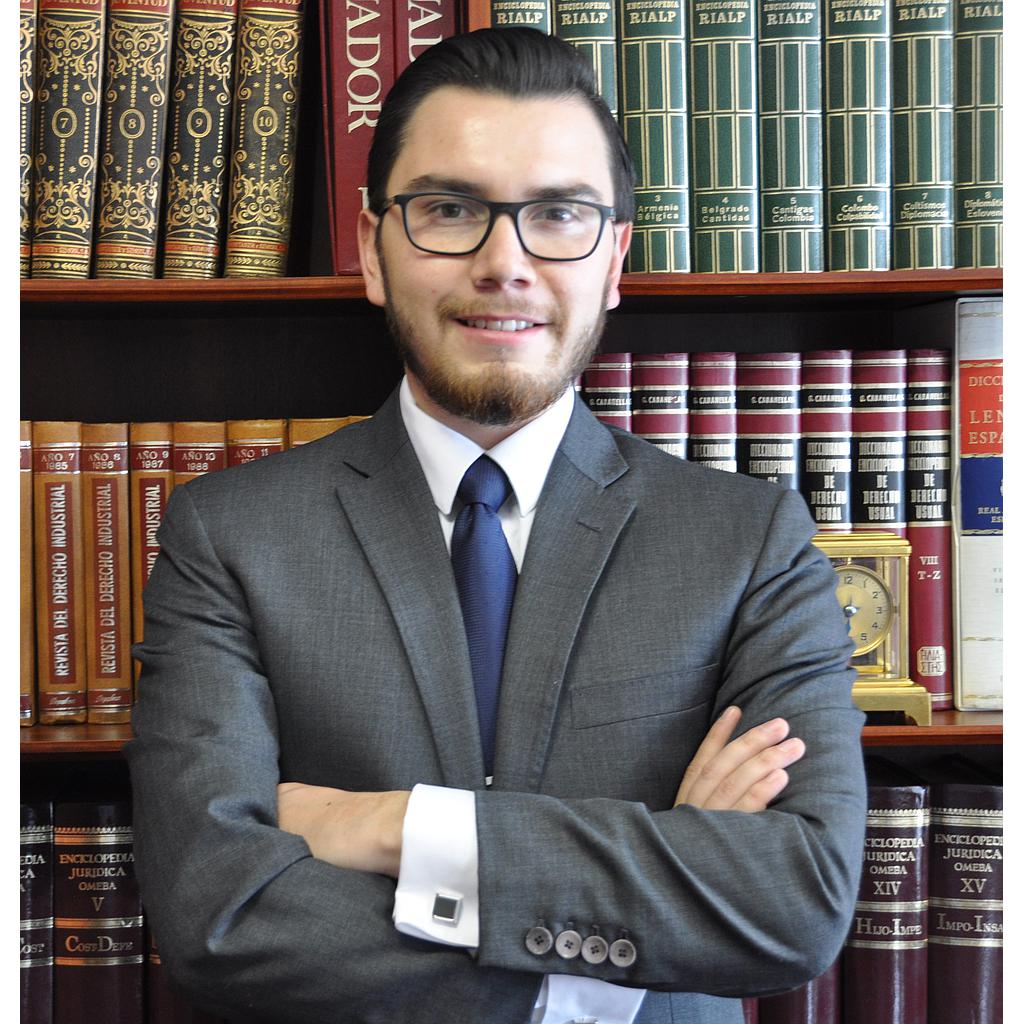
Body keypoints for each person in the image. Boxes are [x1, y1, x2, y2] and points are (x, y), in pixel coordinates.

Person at [126, 27, 867, 1024]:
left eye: (557, 214)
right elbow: (217, 918)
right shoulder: (227, 537)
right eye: (448, 210)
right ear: (372, 250)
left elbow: (795, 901)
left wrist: (398, 828)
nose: (503, 262)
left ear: (614, 259)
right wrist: (626, 933)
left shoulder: (749, 541)